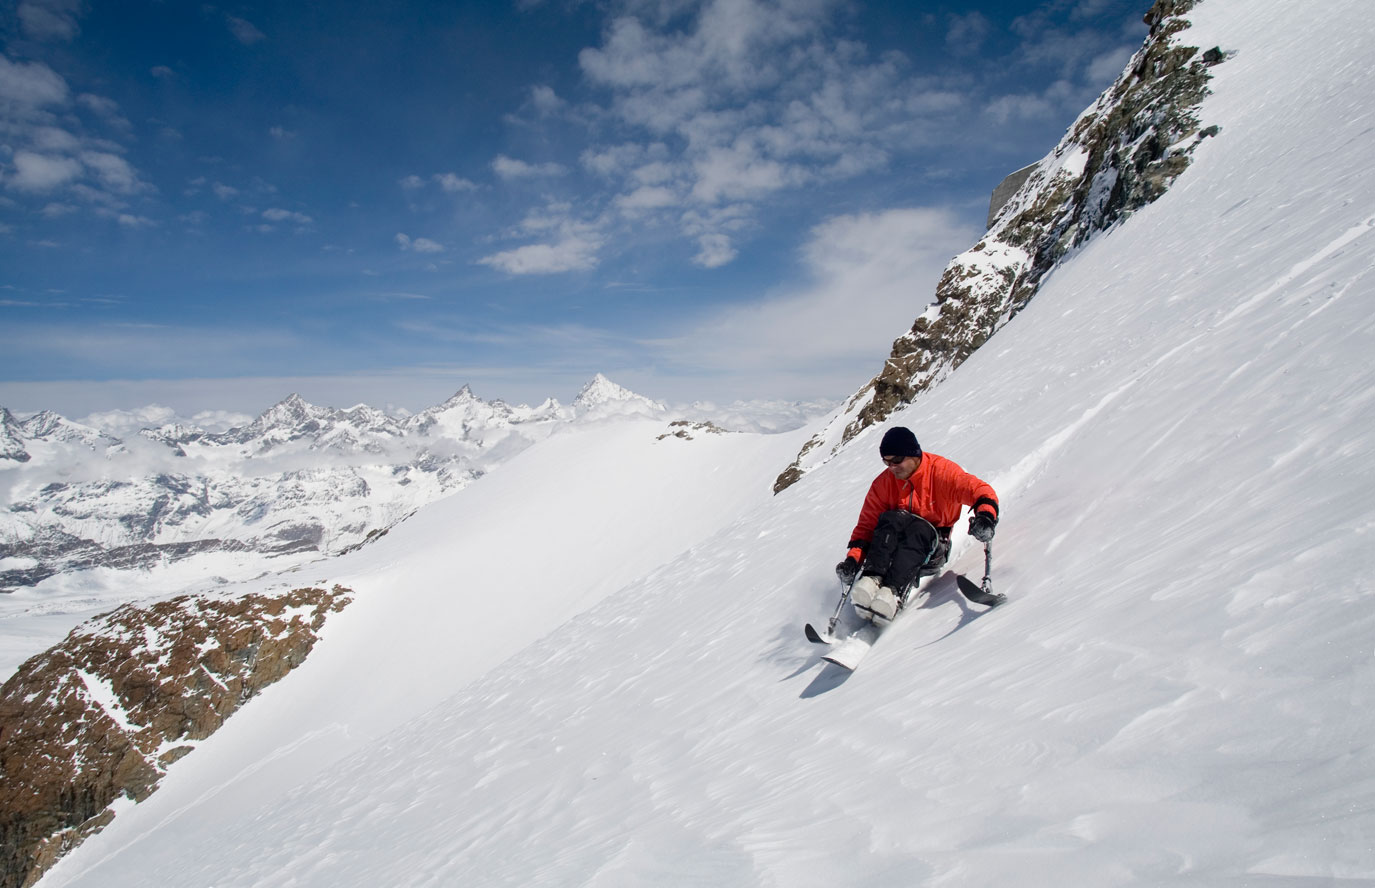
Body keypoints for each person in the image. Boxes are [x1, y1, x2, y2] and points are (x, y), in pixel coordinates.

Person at [835, 426, 999, 621]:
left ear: (914, 455)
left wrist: (986, 518)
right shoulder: (884, 483)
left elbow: (982, 492)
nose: (892, 467)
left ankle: (892, 593)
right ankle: (870, 581)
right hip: (892, 546)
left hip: (932, 548)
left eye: (897, 461)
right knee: (891, 520)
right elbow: (866, 527)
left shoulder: (941, 473)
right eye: (886, 462)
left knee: (917, 528)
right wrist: (853, 560)